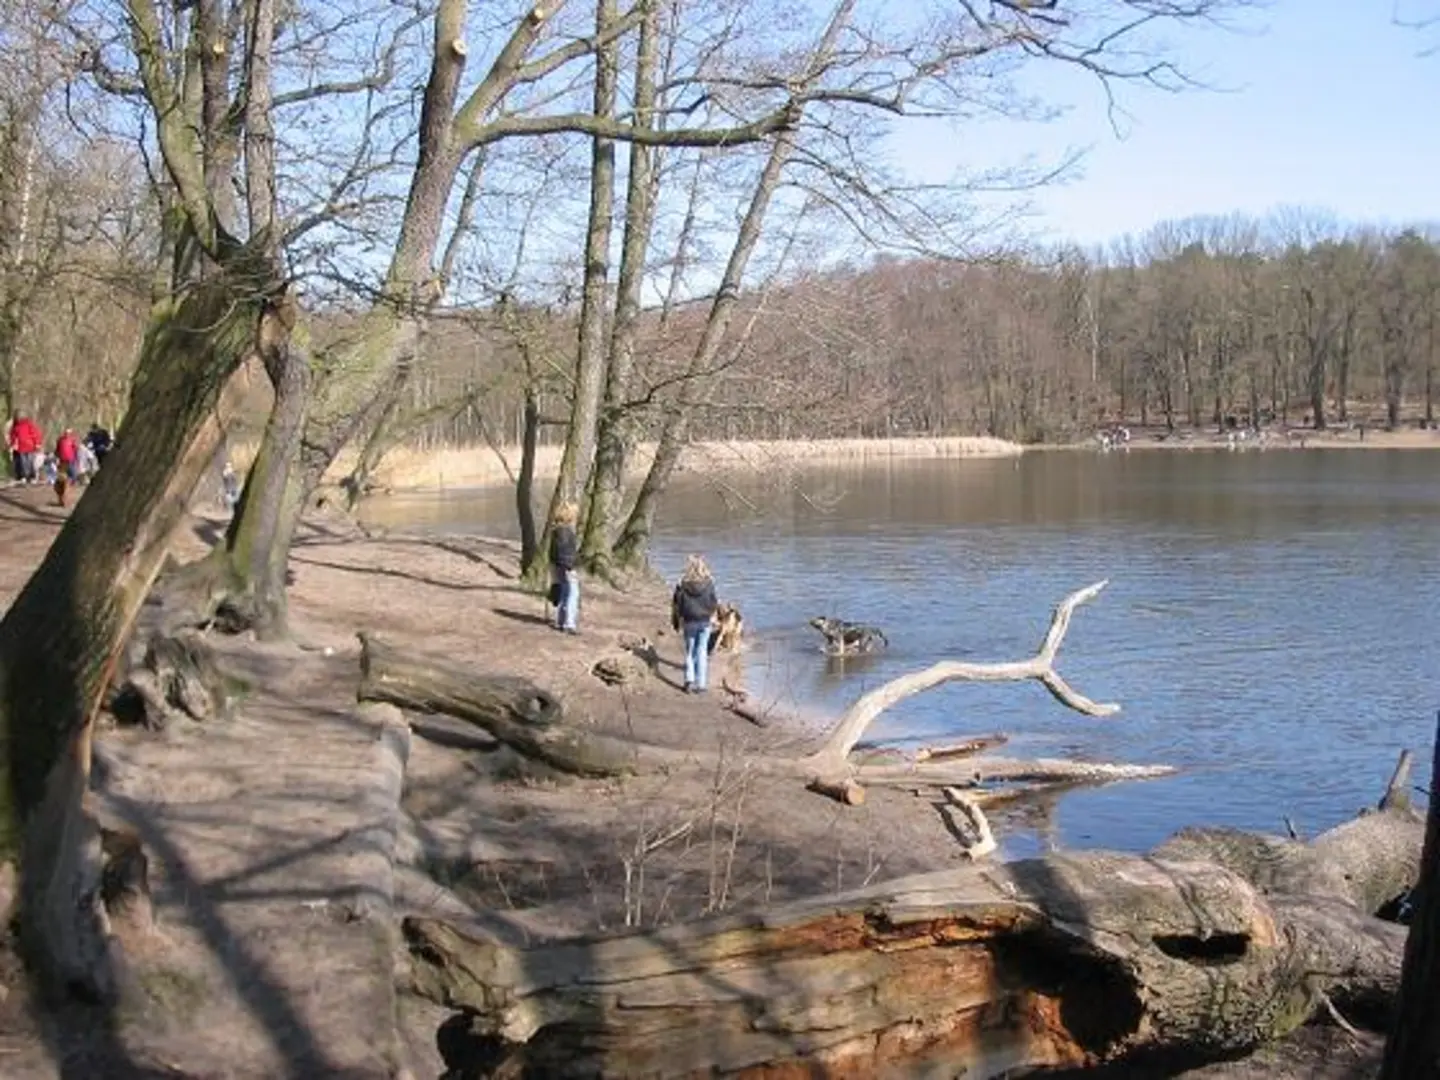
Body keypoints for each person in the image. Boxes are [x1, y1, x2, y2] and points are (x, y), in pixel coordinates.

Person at [671, 554, 719, 694]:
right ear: (704, 568)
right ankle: (701, 684)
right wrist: (711, 616)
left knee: (690, 652)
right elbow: (713, 603)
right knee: (702, 651)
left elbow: (676, 604)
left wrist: (678, 619)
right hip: (705, 622)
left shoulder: (682, 584)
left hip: (689, 621)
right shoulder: (709, 583)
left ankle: (689, 681)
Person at [549, 502, 580, 634]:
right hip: (566, 566)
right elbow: (566, 552)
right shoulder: (566, 532)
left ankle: (561, 621)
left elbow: (554, 552)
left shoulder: (556, 531)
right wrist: (570, 566)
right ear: (570, 517)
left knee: (563, 592)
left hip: (558, 566)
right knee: (573, 593)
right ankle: (569, 624)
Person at [8, 413, 41, 483]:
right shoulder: (16, 426)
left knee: (30, 462)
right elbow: (13, 436)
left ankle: (32, 476)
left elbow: (35, 434)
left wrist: (37, 443)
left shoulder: (29, 424)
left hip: (30, 446)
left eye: (19, 417)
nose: (18, 419)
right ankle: (24, 476)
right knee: (23, 463)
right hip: (21, 447)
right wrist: (12, 444)